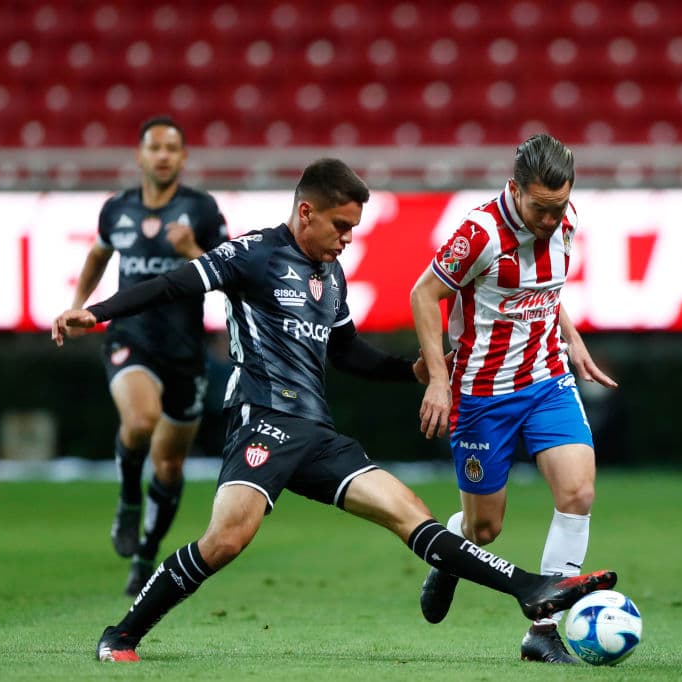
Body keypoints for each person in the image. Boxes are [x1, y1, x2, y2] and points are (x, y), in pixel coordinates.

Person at [52, 157, 617, 663]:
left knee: (409, 512)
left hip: (317, 434)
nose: (348, 239)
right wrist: (97, 311)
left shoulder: (332, 276)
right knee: (225, 540)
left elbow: (347, 353)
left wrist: (411, 369)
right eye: (341, 226)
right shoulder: (253, 256)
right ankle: (122, 634)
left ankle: (530, 588)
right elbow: (175, 284)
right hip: (262, 421)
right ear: (306, 212)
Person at [410, 133, 619, 664]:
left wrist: (569, 338)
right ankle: (452, 551)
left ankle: (543, 629)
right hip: (483, 394)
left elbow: (543, 290)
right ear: (514, 189)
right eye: (541, 209)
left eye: (559, 207)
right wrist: (438, 378)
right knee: (486, 528)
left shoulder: (566, 219)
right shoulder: (478, 233)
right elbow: (423, 294)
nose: (551, 220)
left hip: (547, 380)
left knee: (579, 493)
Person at [67, 115, 228, 596]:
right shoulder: (116, 210)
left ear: (182, 158)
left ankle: (145, 553)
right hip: (129, 339)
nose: (163, 155)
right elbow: (98, 255)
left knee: (171, 467)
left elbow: (228, 272)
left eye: (172, 148)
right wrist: (79, 307)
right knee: (140, 422)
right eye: (155, 147)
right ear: (139, 155)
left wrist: (193, 249)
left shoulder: (201, 210)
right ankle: (126, 501)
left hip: (183, 351)